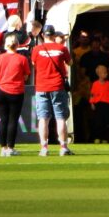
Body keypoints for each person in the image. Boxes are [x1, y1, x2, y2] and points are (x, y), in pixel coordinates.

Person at [31, 24, 74, 157]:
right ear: (54, 35)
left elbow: (33, 63)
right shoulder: (62, 48)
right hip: (57, 86)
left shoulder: (37, 49)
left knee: (43, 118)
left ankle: (44, 147)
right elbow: (70, 63)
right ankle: (63, 147)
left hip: (42, 87)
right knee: (60, 118)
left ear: (43, 35)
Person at [0, 32, 30, 157]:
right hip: (16, 91)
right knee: (13, 120)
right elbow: (26, 76)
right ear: (17, 45)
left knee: (3, 119)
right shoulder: (22, 59)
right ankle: (11, 147)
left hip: (2, 90)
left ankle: (3, 147)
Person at [89, 63, 109, 142]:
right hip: (99, 104)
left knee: (106, 122)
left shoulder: (108, 84)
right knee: (98, 122)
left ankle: (105, 138)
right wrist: (92, 103)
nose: (106, 74)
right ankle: (97, 137)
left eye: (106, 72)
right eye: (104, 73)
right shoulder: (95, 84)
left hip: (107, 104)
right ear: (99, 74)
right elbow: (92, 94)